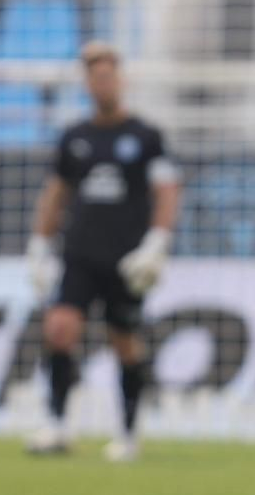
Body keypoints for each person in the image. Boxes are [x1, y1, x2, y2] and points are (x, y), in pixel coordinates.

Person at [25, 42, 183, 462]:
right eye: (95, 76)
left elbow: (167, 190)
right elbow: (55, 194)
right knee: (59, 328)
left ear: (121, 80)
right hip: (79, 253)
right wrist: (39, 246)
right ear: (88, 84)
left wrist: (157, 242)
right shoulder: (75, 138)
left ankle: (128, 433)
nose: (103, 82)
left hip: (126, 259)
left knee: (125, 343)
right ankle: (57, 425)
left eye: (109, 74)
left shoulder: (145, 137)